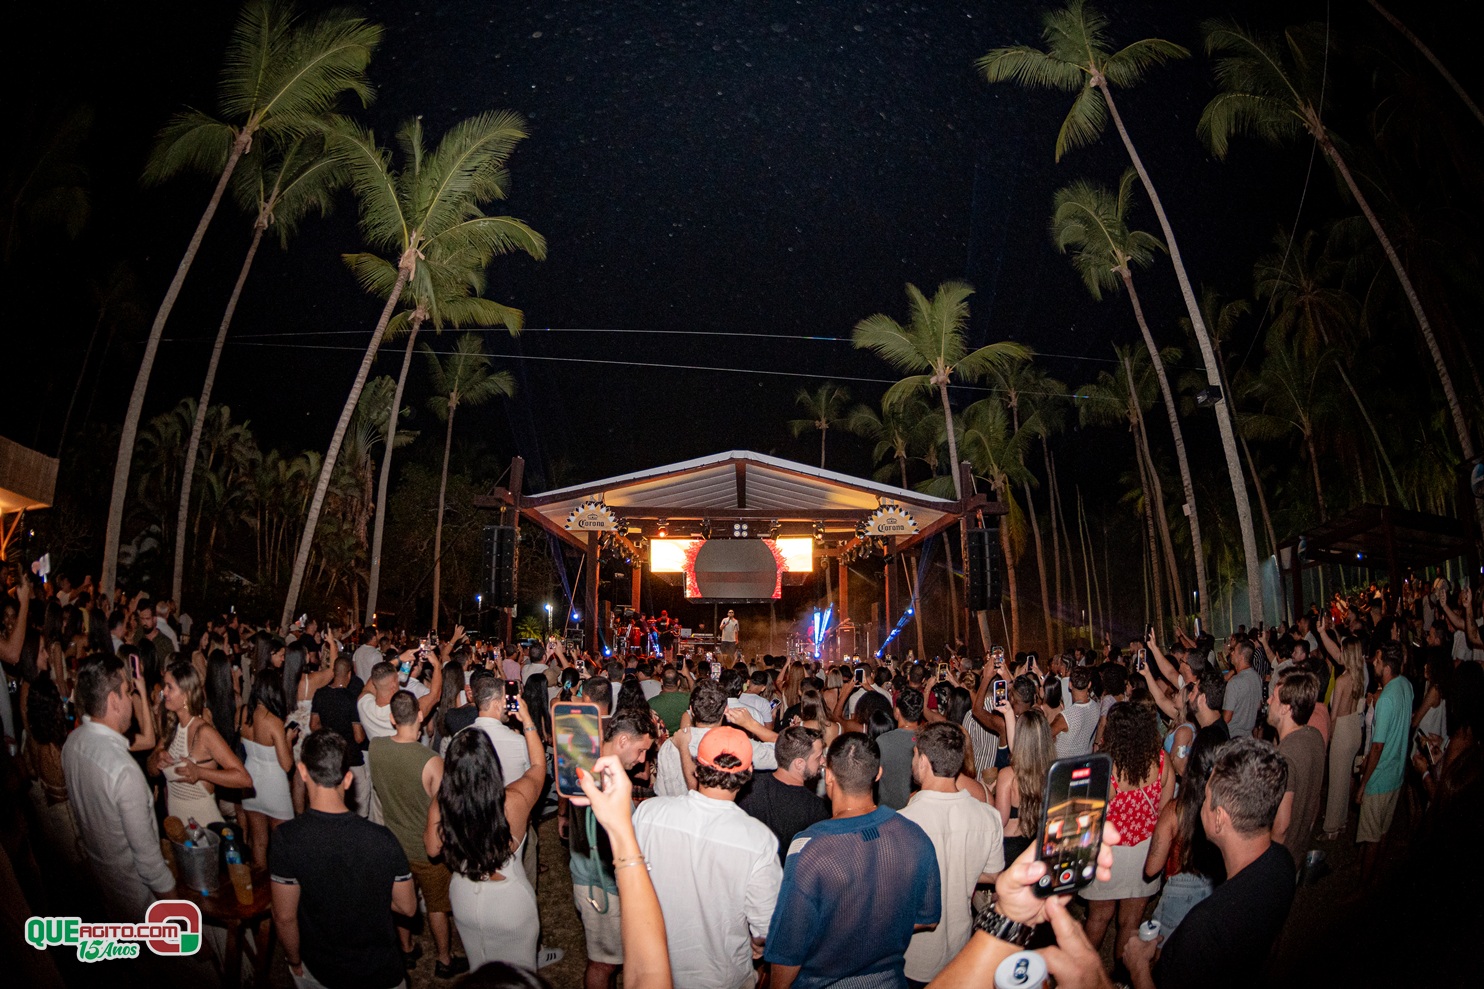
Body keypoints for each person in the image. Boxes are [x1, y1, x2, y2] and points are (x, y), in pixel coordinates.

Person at [763, 733, 941, 989]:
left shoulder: (811, 848)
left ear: (829, 776)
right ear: (878, 774)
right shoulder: (914, 835)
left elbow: (788, 950)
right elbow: (928, 918)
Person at [1124, 737, 1296, 989]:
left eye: (1205, 798)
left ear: (1219, 819)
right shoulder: (1283, 863)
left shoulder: (1203, 928)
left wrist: (1139, 967)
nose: (1202, 804)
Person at [633, 725, 783, 989]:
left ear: (697, 767)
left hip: (653, 968)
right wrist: (758, 946)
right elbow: (766, 926)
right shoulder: (758, 840)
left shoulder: (649, 814)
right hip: (720, 977)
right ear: (749, 773)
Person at [271, 730, 417, 989]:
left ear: (303, 772)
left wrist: (293, 960)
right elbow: (408, 908)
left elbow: (284, 917)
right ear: (348, 779)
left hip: (323, 971)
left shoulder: (286, 839)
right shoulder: (383, 839)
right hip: (381, 972)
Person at [425, 696, 547, 972]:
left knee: (479, 968)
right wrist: (527, 720)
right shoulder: (513, 800)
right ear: (492, 764)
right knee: (521, 974)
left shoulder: (442, 803)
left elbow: (432, 849)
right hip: (509, 900)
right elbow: (539, 767)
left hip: (464, 893)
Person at [61, 655, 176, 921]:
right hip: (140, 904)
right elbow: (151, 867)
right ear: (114, 700)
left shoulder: (72, 744)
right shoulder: (124, 772)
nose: (130, 699)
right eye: (128, 691)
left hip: (105, 891)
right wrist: (183, 922)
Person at [369, 691, 467, 978]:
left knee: (402, 900)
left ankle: (407, 949)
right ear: (421, 716)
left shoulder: (376, 747)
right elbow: (445, 811)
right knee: (437, 906)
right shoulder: (432, 761)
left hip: (393, 844)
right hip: (426, 849)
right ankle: (444, 960)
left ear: (392, 718)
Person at [899, 722, 1004, 987]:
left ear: (924, 761)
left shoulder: (901, 823)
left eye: (914, 755)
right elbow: (994, 875)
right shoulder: (988, 817)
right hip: (960, 950)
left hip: (913, 956)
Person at [569, 706, 657, 989]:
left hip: (600, 879)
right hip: (600, 885)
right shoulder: (599, 778)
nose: (642, 760)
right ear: (622, 740)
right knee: (604, 963)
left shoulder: (591, 762)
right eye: (641, 751)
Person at [1083, 702, 1167, 971]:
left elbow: (1089, 817)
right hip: (1145, 853)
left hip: (1109, 854)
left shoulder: (1106, 769)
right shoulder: (1162, 762)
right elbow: (1164, 812)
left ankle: (1080, 975)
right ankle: (1122, 978)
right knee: (1130, 923)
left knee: (1098, 919)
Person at [149, 659, 251, 826]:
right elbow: (151, 771)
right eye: (164, 686)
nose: (164, 692)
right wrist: (157, 757)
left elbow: (244, 779)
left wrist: (200, 772)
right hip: (180, 827)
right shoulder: (172, 728)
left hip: (204, 826)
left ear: (186, 694)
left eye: (169, 687)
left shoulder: (204, 732)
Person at [1142, 738, 1223, 938]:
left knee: (1163, 950)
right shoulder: (1227, 810)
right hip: (1217, 886)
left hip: (1181, 888)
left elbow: (1152, 868)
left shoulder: (1175, 810)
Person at [1356, 641, 1413, 881]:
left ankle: (1364, 888)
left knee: (1371, 838)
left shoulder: (1386, 698)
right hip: (1396, 774)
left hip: (1380, 778)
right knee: (1383, 832)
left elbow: (1377, 747)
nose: (1374, 665)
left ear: (1386, 666)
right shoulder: (1406, 685)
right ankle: (1377, 879)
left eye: (1377, 661)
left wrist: (1363, 785)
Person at [737, 725, 829, 862]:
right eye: (818, 757)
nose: (823, 761)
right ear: (799, 764)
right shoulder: (816, 809)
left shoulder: (747, 787)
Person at [241, 667, 298, 869]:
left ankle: (259, 884)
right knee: (286, 842)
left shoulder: (243, 713)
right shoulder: (273, 722)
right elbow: (287, 765)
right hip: (274, 785)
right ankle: (284, 884)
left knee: (258, 842)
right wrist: (288, 739)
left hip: (251, 783)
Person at [1268, 670, 1326, 868]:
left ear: (1285, 708)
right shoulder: (1314, 736)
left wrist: (1267, 863)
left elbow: (1281, 826)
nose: (1268, 701)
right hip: (1298, 850)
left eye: (1273, 697)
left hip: (1280, 859)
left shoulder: (1284, 757)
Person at [311, 655, 369, 814]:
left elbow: (313, 725)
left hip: (330, 757)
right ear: (349, 674)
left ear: (334, 672)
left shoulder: (320, 694)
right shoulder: (351, 699)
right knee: (360, 806)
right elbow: (359, 737)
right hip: (352, 759)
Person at [876, 687, 925, 811]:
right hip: (917, 811)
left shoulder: (882, 741)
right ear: (920, 712)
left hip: (888, 812)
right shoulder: (928, 740)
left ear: (897, 712)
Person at [1055, 666, 1099, 758]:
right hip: (1084, 760)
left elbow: (1045, 735)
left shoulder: (1066, 716)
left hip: (1063, 763)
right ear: (1089, 684)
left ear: (1070, 685)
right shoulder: (1096, 707)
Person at [1222, 640, 1262, 738]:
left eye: (1234, 651)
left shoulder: (1234, 682)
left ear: (1241, 657)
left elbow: (1227, 718)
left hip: (1232, 736)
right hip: (1248, 736)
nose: (1231, 653)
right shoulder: (1257, 677)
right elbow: (1258, 706)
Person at [648, 667, 691, 734]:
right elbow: (697, 693)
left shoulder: (651, 703)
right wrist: (688, 676)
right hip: (683, 738)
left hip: (663, 739)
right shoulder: (688, 698)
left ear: (661, 682)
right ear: (678, 682)